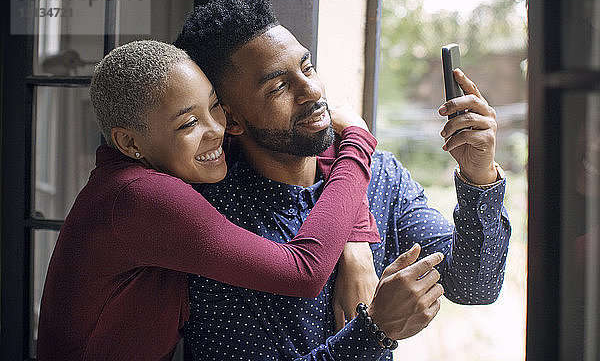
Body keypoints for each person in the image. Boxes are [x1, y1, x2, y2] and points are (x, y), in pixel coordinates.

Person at [36, 40, 441, 360]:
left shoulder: (176, 160)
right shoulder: (140, 196)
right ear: (130, 142)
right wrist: (358, 141)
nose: (217, 130)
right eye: (189, 122)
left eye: (215, 106)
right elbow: (304, 271)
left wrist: (356, 241)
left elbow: (301, 144)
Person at [174, 0, 512, 360]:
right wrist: (375, 331)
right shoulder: (211, 221)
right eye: (279, 87)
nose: (312, 91)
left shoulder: (380, 174)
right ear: (231, 119)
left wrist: (479, 176)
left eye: (307, 67)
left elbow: (476, 285)